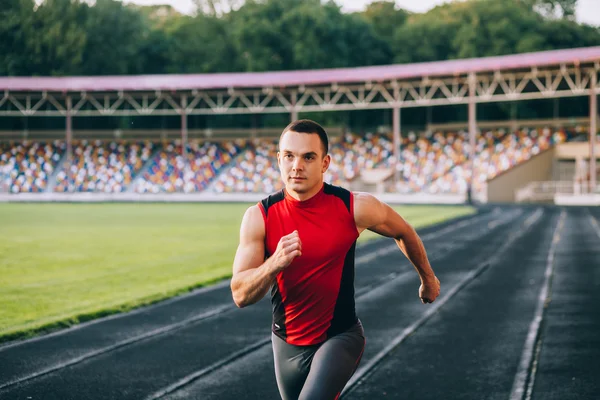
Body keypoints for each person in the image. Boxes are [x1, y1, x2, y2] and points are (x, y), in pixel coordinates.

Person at [230, 119, 441, 400]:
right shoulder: (259, 217)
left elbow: (403, 231)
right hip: (285, 344)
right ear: (279, 159)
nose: (297, 166)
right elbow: (240, 294)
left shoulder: (354, 206)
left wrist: (428, 279)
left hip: (340, 337)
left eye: (308, 157)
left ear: (325, 163)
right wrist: (274, 263)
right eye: (290, 156)